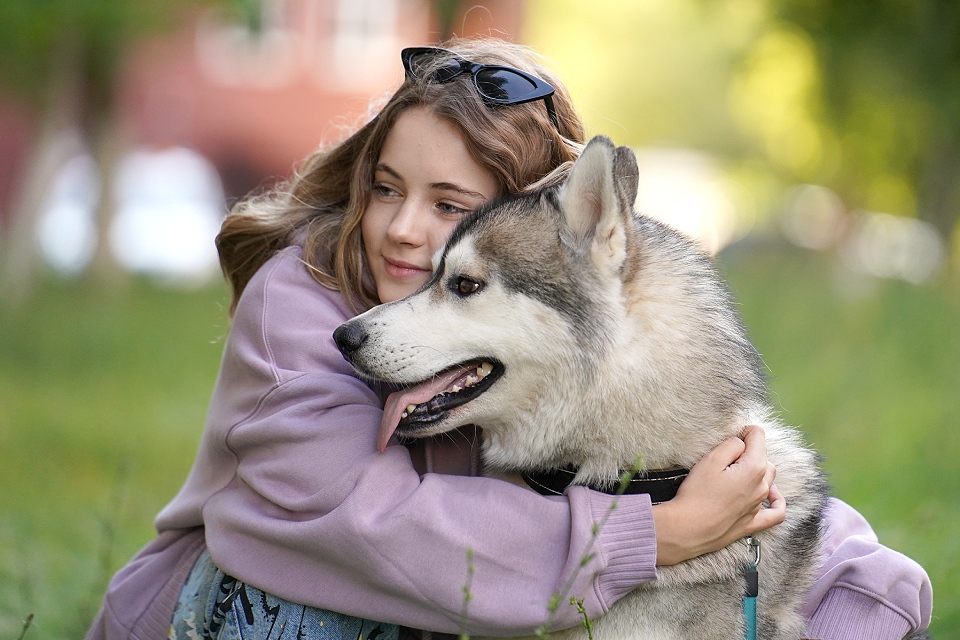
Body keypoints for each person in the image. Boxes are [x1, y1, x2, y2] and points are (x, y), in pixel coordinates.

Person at [86, 38, 931, 640]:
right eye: (386, 188)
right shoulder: (302, 305)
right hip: (247, 614)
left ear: (520, 223)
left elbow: (799, 518)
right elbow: (373, 530)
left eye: (451, 208)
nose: (404, 230)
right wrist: (658, 537)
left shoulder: (536, 379)